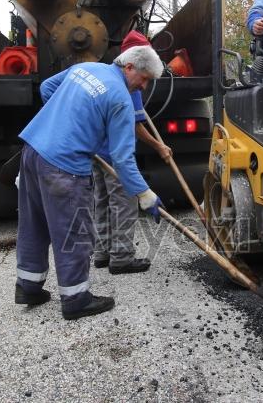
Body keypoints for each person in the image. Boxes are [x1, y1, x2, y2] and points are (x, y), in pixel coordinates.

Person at [14, 45, 165, 320]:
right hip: (63, 167)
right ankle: (75, 299)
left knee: (33, 223)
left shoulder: (86, 68)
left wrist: (68, 121)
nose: (143, 87)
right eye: (143, 78)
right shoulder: (120, 98)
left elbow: (47, 88)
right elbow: (122, 158)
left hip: (32, 151)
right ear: (129, 67)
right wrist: (145, 194)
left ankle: (28, 287)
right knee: (74, 231)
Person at [92, 31, 172, 274]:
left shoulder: (105, 72)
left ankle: (102, 253)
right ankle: (122, 257)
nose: (145, 83)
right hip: (115, 154)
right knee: (124, 203)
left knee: (102, 202)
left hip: (95, 151)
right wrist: (158, 146)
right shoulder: (130, 84)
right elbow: (136, 126)